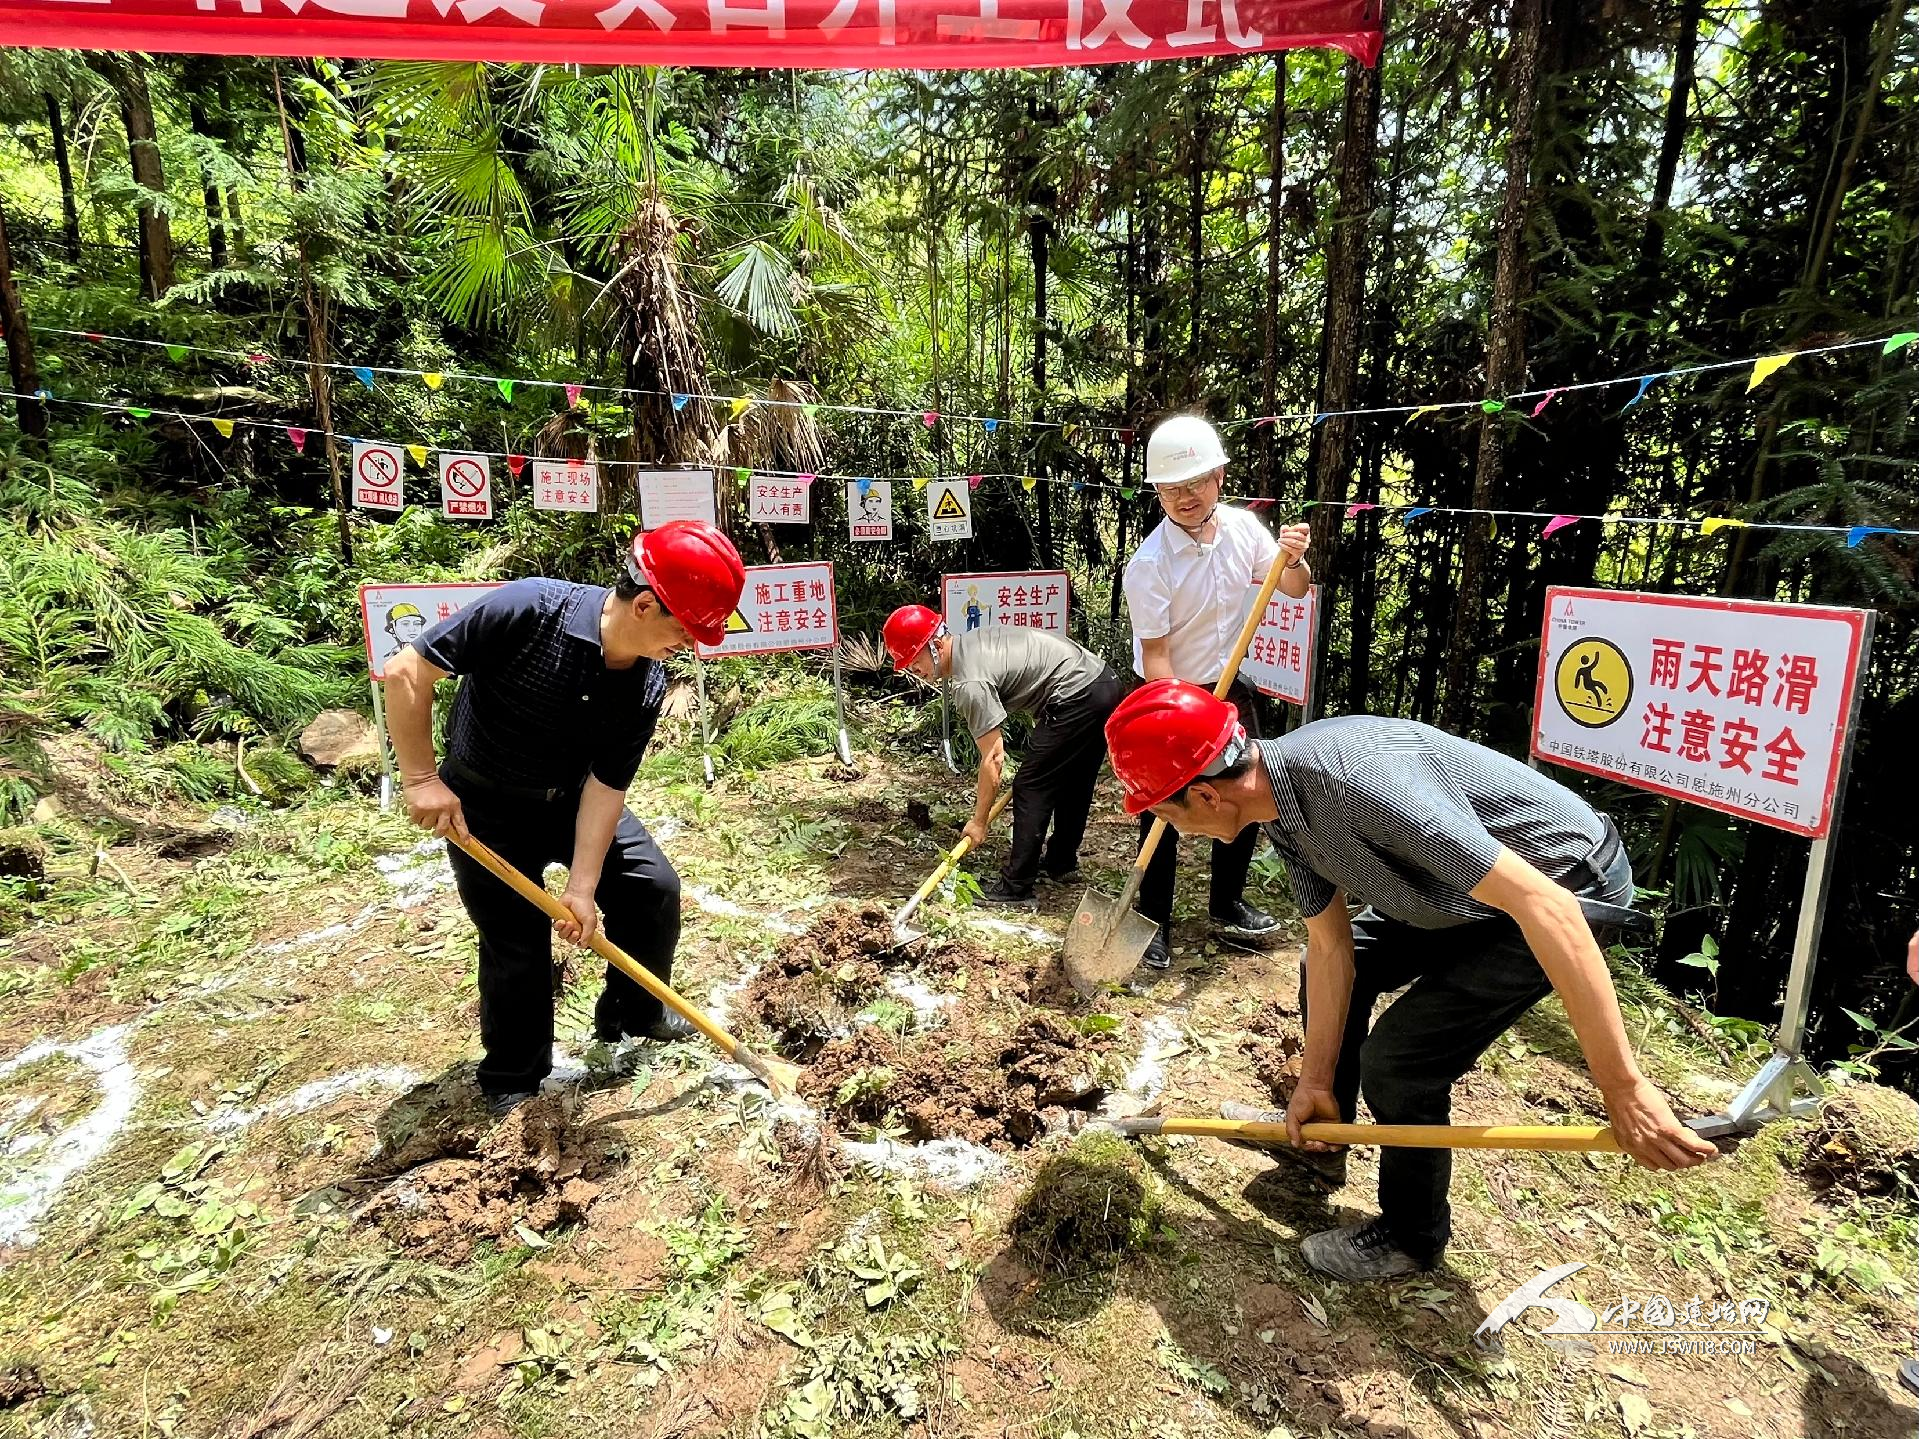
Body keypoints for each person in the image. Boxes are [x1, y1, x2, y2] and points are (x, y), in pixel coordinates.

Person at [1103, 680, 1718, 1279]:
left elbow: (1546, 907)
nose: (1176, 832)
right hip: (1462, 891)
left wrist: (1625, 1089)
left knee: (1399, 1063)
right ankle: (1323, 1134)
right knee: (1354, 965)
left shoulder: (1361, 788)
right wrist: (1314, 1079)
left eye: (1165, 812)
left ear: (1209, 797)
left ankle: (1411, 1235)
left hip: (1559, 891)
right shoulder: (1280, 804)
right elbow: (1331, 945)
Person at [383, 520, 746, 1115]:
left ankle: (633, 1017)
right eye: (684, 628)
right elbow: (407, 671)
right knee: (515, 938)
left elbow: (606, 789)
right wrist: (422, 778)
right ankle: (513, 1078)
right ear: (647, 604)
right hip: (485, 807)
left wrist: (582, 888)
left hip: (571, 799)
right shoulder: (529, 609)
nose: (690, 644)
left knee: (652, 889)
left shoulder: (646, 684)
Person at [1122, 413, 1313, 969]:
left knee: (1249, 792)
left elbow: (1294, 588)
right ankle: (1151, 918)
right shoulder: (1149, 566)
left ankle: (1227, 902)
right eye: (1173, 486)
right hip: (1167, 696)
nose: (1186, 495)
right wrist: (1185, 717)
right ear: (1157, 488)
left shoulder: (1241, 530)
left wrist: (1293, 558)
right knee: (1165, 808)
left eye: (1197, 482)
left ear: (1220, 477)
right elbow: (1156, 655)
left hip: (1229, 689)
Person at [884, 603, 1125, 906]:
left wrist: (979, 821)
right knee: (1073, 781)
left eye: (913, 659)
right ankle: (1060, 863)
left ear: (935, 644)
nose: (912, 670)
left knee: (1030, 787)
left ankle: (1016, 886)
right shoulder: (971, 643)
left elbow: (994, 758)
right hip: (1102, 682)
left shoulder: (970, 682)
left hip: (1079, 694)